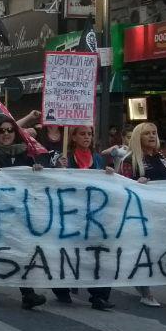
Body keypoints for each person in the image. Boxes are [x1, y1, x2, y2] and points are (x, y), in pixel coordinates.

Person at [0, 115, 48, 310]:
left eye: (10, 130)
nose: (6, 134)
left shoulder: (26, 156)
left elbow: (32, 184)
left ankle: (27, 293)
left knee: (21, 250)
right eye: (1, 130)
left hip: (17, 213)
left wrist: (36, 172)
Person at [119, 122, 166, 308]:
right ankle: (145, 291)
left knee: (156, 248)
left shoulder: (160, 156)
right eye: (147, 133)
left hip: (161, 210)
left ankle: (139, 280)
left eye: (154, 132)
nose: (152, 136)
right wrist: (135, 183)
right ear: (138, 137)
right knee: (144, 249)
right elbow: (121, 186)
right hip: (140, 213)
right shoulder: (129, 160)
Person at [52, 126, 116, 310]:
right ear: (73, 137)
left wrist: (109, 174)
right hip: (71, 214)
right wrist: (59, 170)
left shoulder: (98, 159)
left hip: (95, 216)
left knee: (98, 254)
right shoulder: (65, 158)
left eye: (89, 134)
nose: (87, 137)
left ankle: (99, 296)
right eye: (82, 134)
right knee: (68, 253)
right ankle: (61, 287)